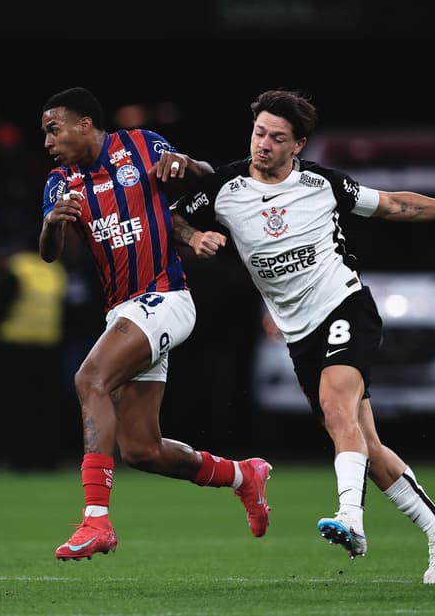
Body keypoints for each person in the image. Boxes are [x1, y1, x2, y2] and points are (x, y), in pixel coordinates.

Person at [165, 88, 435, 584]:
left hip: (345, 305)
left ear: (298, 144)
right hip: (298, 333)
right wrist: (193, 236)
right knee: (364, 443)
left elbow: (393, 204)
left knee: (335, 409)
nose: (263, 144)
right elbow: (172, 218)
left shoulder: (322, 184)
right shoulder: (224, 188)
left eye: (276, 137)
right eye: (259, 132)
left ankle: (351, 519)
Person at [38, 86, 272, 561]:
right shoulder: (60, 183)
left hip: (165, 297)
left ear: (85, 124)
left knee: (90, 379)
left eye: (53, 129)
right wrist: (52, 225)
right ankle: (242, 475)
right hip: (122, 311)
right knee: (142, 450)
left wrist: (185, 164)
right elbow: (49, 254)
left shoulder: (140, 145)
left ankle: (96, 521)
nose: (47, 141)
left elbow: (208, 179)